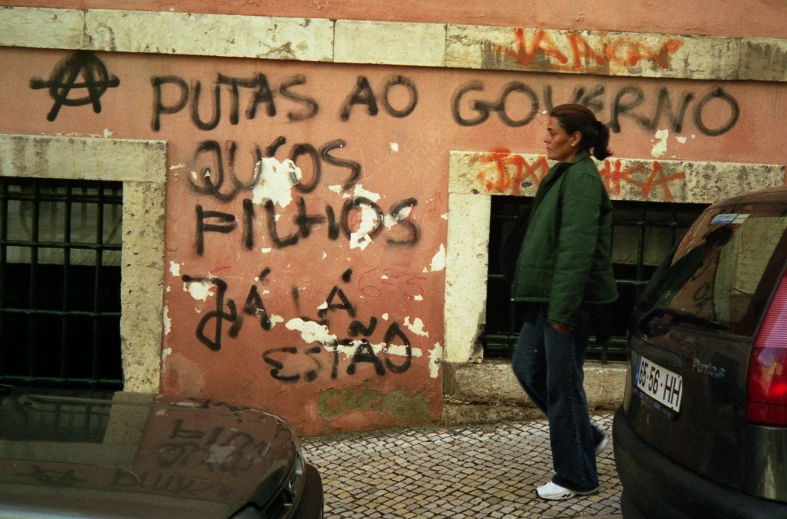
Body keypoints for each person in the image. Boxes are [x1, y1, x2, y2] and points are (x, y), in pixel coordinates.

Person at [510, 104, 618, 500]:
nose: (546, 138)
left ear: (575, 138)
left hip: (565, 303)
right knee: (526, 367)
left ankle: (577, 476)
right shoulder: (565, 173)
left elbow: (577, 250)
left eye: (553, 132)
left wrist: (563, 312)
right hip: (546, 297)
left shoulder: (583, 180)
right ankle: (584, 437)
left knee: (564, 385)